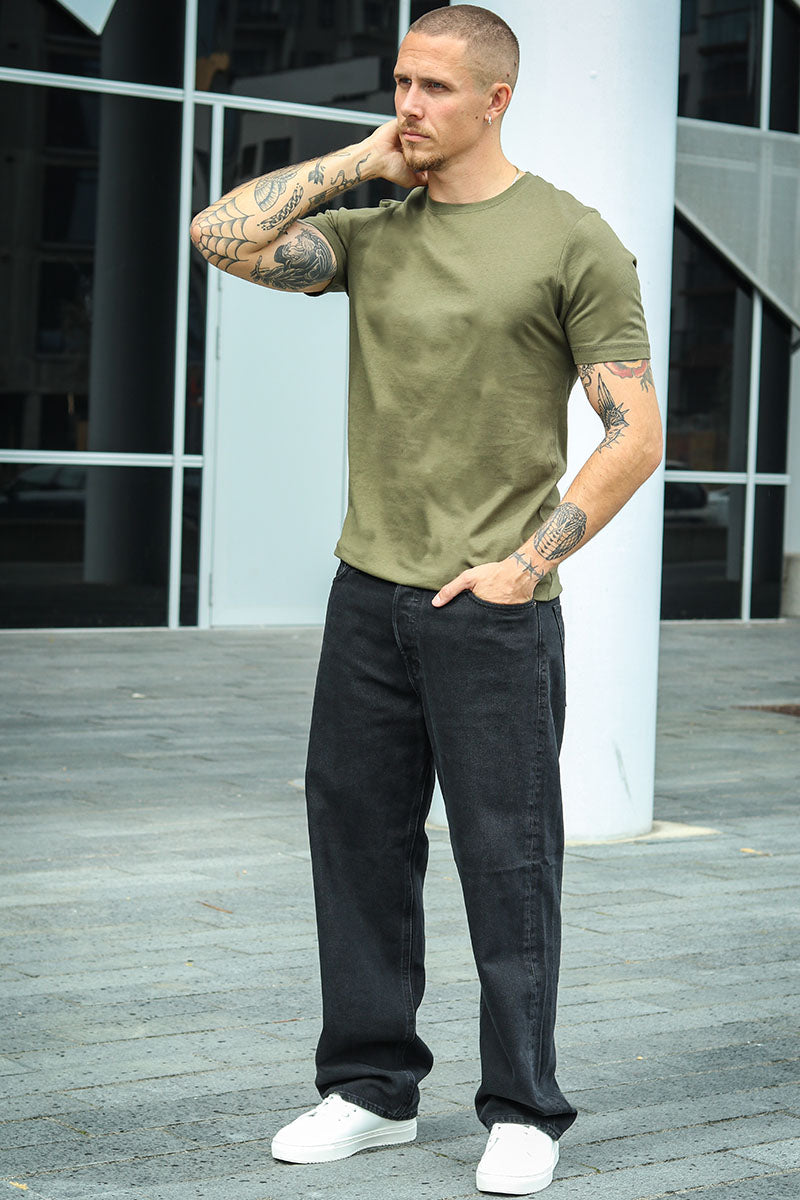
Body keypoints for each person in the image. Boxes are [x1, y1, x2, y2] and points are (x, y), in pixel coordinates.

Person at [191, 6, 662, 1194]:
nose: (408, 104)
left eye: (435, 87)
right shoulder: (374, 232)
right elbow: (217, 235)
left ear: (496, 99)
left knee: (508, 864)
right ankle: (368, 1089)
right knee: (356, 845)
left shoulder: (572, 239)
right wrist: (361, 159)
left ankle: (523, 1109)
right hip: (366, 594)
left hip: (490, 610)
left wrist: (526, 565)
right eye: (399, 82)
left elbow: (634, 433)